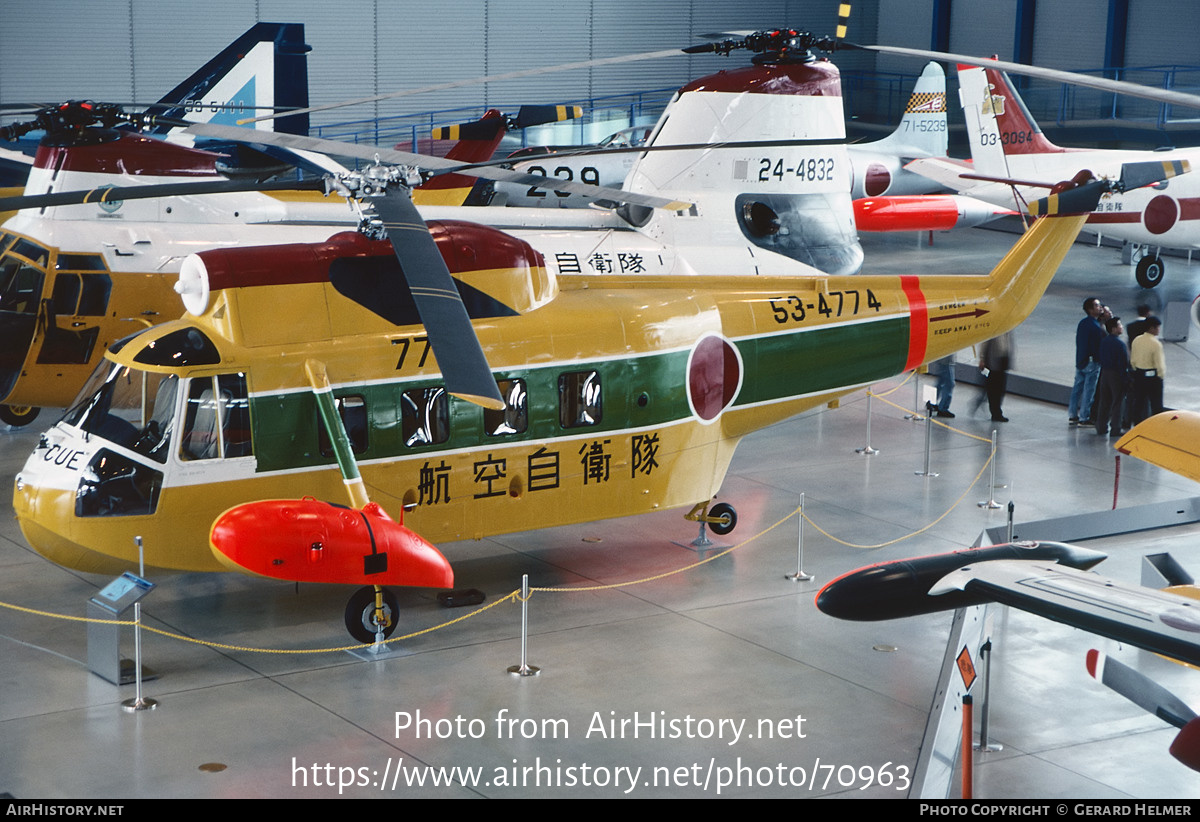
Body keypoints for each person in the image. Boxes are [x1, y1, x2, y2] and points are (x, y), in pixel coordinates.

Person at [1068, 297, 1105, 426]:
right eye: (1097, 305)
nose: (1100, 307)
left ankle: (1072, 414)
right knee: (1089, 391)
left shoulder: (1082, 323)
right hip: (1092, 362)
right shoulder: (1096, 327)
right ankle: (1084, 417)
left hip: (1081, 360)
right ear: (1090, 309)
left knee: (1077, 389)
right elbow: (1096, 346)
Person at [1093, 316, 1129, 437]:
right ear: (1113, 329)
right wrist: (1125, 378)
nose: (1121, 327)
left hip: (1105, 373)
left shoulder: (1104, 341)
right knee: (1118, 401)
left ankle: (1101, 427)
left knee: (1104, 401)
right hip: (1116, 375)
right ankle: (1115, 428)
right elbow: (1123, 362)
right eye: (1119, 325)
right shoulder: (1120, 344)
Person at [1130, 316, 1166, 423]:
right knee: (1156, 405)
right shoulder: (1156, 344)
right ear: (1151, 328)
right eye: (1157, 328)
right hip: (1153, 378)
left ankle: (1137, 426)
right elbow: (1159, 364)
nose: (1159, 330)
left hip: (1139, 374)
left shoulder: (1137, 340)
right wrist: (1161, 377)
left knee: (1139, 403)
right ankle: (1156, 427)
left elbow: (1133, 360)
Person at [977, 332, 1012, 422]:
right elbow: (984, 342)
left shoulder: (1007, 327)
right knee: (993, 388)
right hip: (993, 360)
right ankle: (996, 412)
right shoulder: (994, 327)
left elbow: (1008, 343)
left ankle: (996, 410)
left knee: (1000, 388)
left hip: (1002, 360)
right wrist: (982, 358)